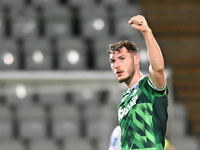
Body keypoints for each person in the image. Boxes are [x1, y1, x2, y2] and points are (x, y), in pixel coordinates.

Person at [107, 15, 168, 150]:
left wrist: (146, 32)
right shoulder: (124, 100)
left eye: (122, 58)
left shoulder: (149, 87)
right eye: (113, 61)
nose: (116, 65)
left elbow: (158, 69)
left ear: (136, 59)